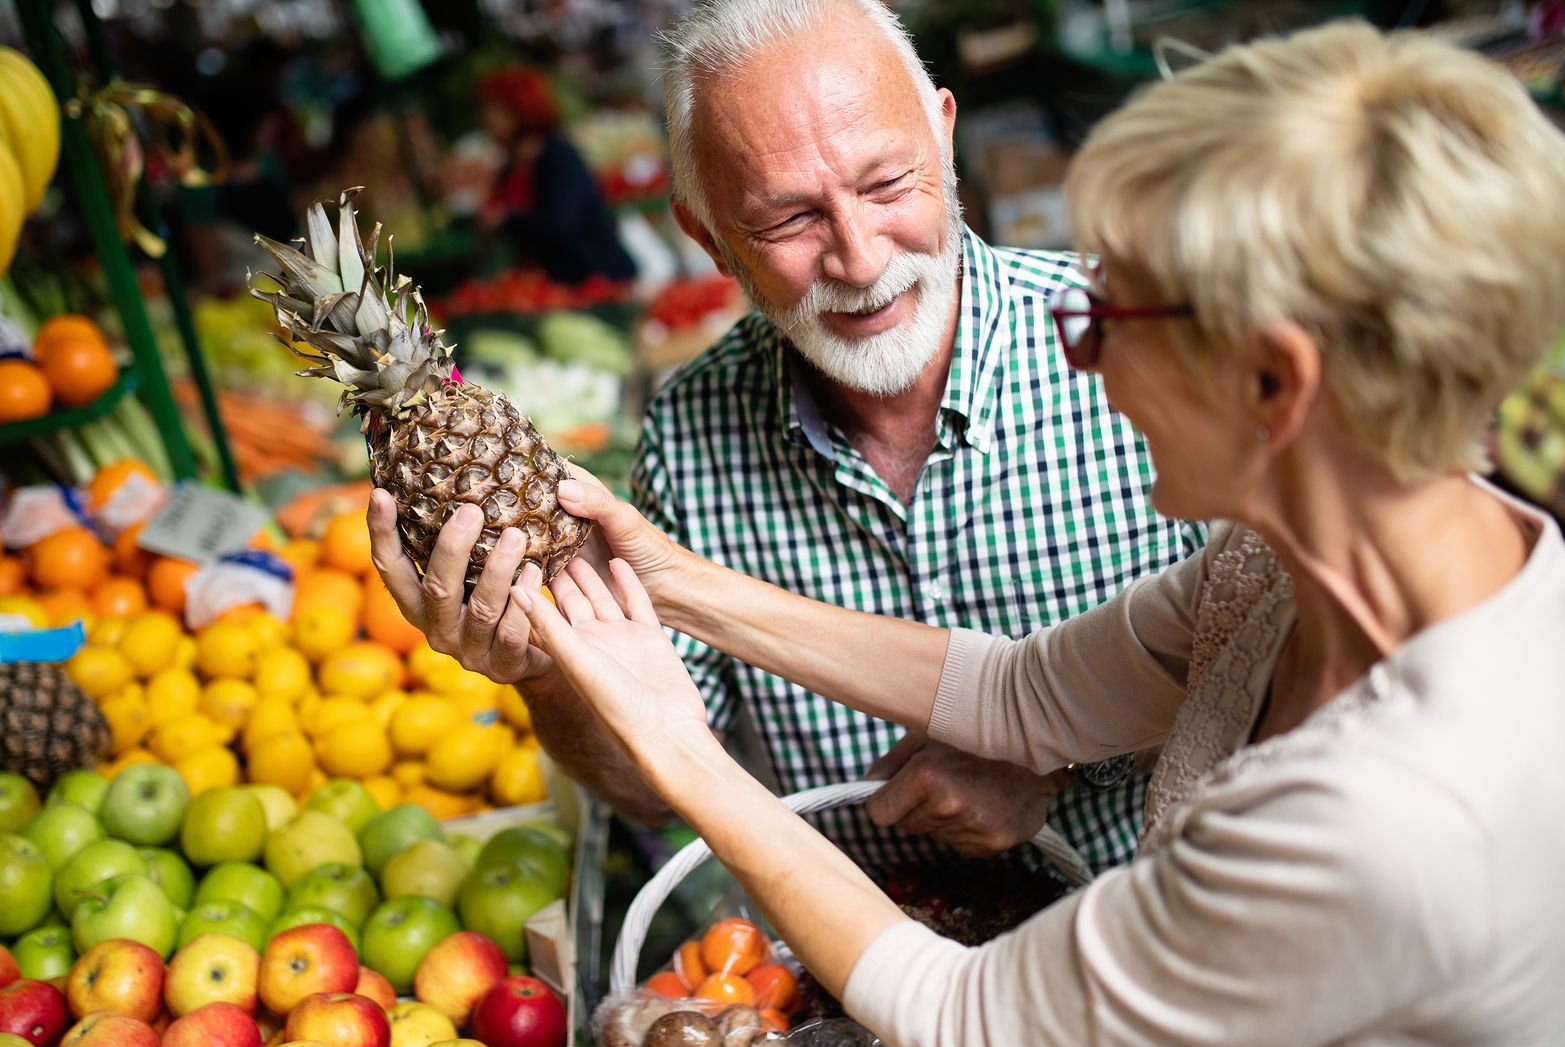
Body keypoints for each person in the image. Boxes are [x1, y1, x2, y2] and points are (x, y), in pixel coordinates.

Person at [512, 20, 1565, 1047]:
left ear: (1273, 382)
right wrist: (676, 584)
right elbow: (1025, 691)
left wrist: (681, 743)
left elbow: (970, 1021)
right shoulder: (1292, 563)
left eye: (1105, 319)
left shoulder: (1383, 807)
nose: (1080, 359)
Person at [370, 0, 1199, 879]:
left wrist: (1057, 763)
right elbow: (656, 788)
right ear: (710, 238)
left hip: (1149, 945)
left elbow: (1274, 671)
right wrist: (550, 674)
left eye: (886, 185)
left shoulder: (1141, 345)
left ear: (944, 138)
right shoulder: (693, 433)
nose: (861, 257)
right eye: (788, 221)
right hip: (846, 990)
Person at [475, 66, 636, 285]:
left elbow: (558, 225)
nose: (487, 118)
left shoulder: (558, 158)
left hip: (594, 280)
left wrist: (506, 220)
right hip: (550, 287)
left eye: (495, 109)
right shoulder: (511, 165)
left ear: (521, 108)